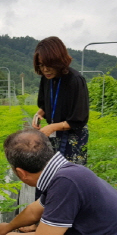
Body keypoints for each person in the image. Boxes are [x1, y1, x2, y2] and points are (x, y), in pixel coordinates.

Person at [32, 36, 89, 165]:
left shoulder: (75, 80)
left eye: (49, 65)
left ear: (59, 61)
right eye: (41, 65)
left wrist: (52, 127)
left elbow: (78, 120)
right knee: (52, 171)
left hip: (73, 137)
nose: (45, 69)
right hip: (53, 134)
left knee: (70, 173)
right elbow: (46, 106)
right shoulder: (46, 78)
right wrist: (39, 114)